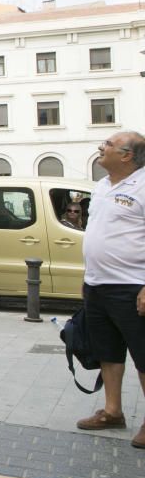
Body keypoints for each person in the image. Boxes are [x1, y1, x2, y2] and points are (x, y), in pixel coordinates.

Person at [75, 131, 145, 448]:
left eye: (109, 145)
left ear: (127, 155)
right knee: (108, 351)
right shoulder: (102, 186)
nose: (102, 148)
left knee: (143, 354)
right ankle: (113, 411)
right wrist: (88, 275)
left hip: (132, 285)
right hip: (98, 284)